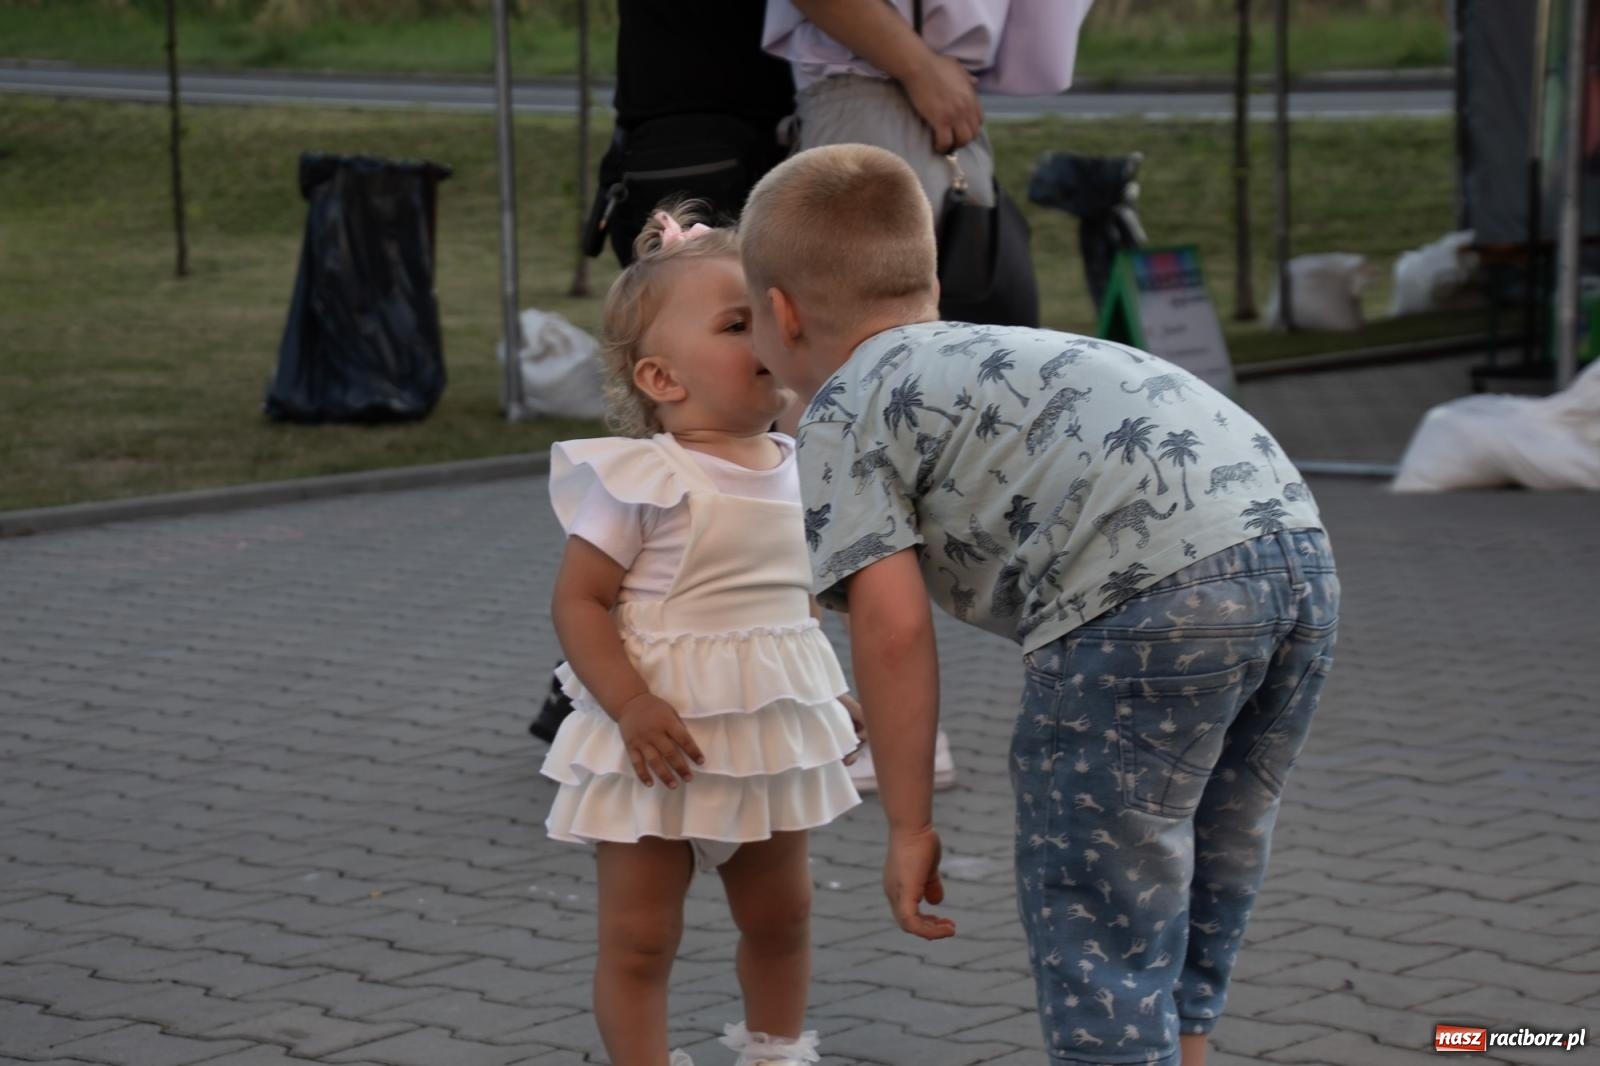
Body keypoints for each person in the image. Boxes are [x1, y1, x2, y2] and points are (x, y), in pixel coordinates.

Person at [740, 145, 1340, 1066]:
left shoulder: (843, 405)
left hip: (1141, 602)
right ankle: (1187, 1048)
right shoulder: (1008, 352)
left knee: (1095, 898)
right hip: (1298, 554)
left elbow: (891, 630)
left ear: (780, 314)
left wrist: (908, 826)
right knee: (1213, 846)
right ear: (926, 275)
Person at [542, 207, 863, 1066]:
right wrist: (631, 703)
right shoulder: (646, 480)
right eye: (735, 322)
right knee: (642, 938)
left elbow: (799, 602)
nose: (766, 332)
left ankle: (776, 1051)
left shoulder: (803, 465)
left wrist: (828, 694)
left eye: (770, 312)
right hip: (656, 745)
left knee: (783, 918)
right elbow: (579, 603)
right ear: (662, 377)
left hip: (765, 742)